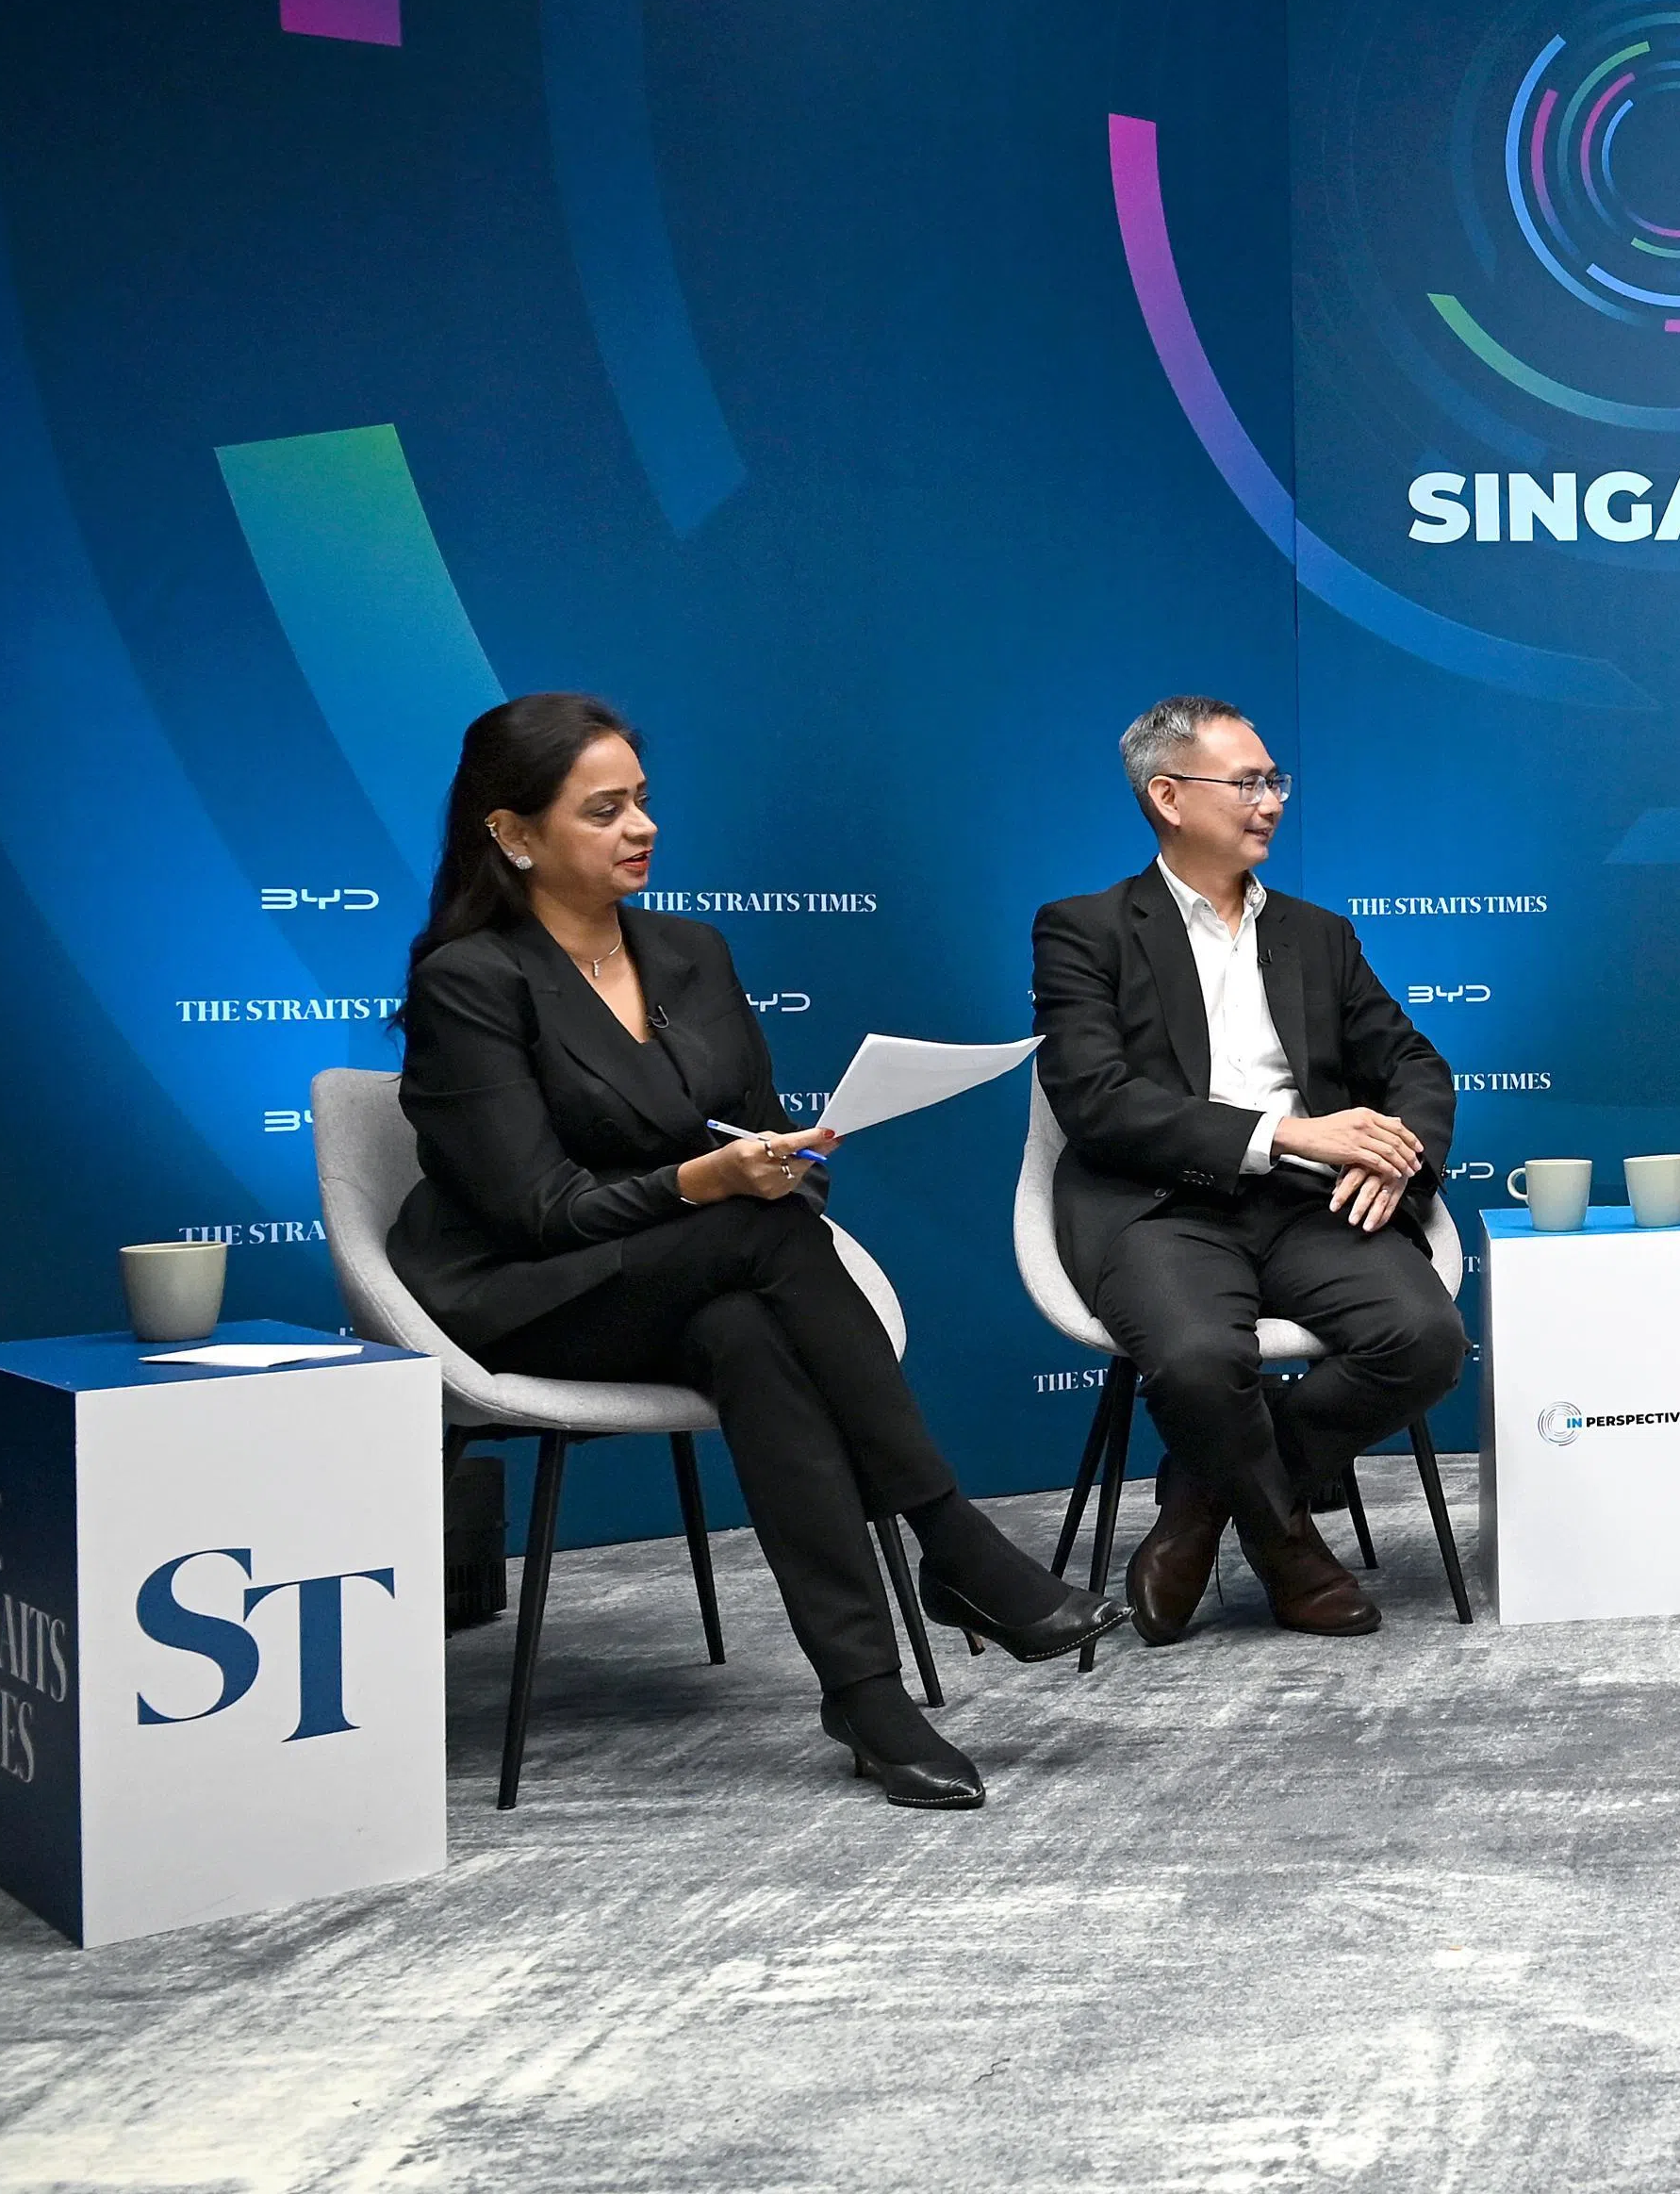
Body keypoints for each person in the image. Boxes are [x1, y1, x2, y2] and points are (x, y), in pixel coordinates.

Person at [392, 695, 1125, 1811]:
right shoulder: (471, 982)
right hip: (529, 1295)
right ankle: (953, 1542)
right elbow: (533, 1208)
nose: (642, 826)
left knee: (750, 1327)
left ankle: (866, 1694)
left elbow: (750, 1129)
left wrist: (777, 1164)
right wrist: (710, 1184)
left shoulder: (691, 951)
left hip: (705, 1275)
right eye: (604, 810)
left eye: (642, 800)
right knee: (752, 1236)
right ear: (514, 835)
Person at [1029, 697, 1469, 1646]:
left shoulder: (1318, 935)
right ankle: (1289, 1550)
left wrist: (1400, 1156)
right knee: (1193, 1362)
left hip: (1306, 1208)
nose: (1270, 801)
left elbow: (1415, 1067)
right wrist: (1293, 1133)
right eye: (1248, 783)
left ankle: (1198, 1499)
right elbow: (1097, 1101)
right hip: (1157, 1205)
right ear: (1169, 797)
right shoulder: (1084, 930)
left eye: (1276, 781)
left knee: (1424, 1339)